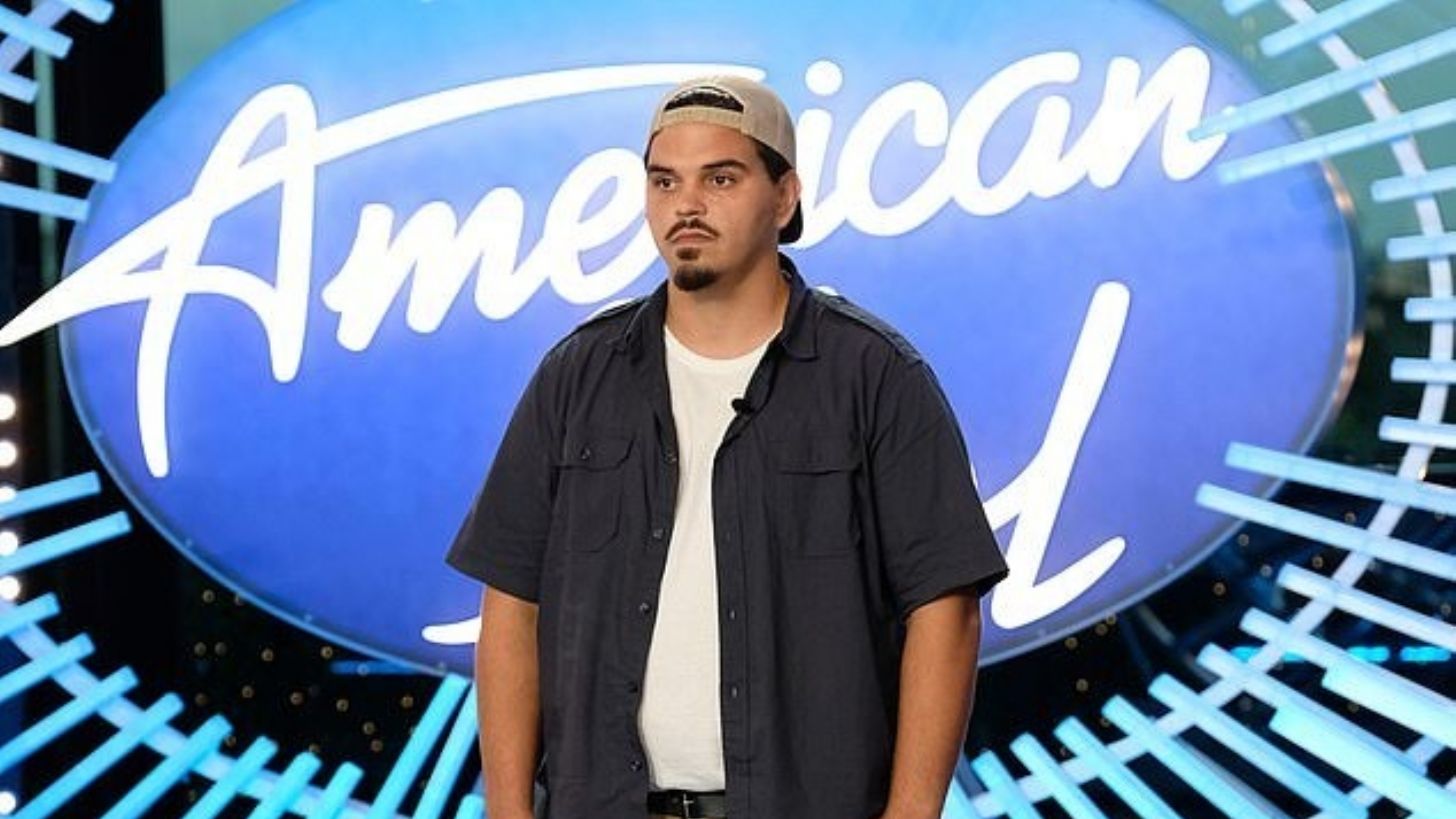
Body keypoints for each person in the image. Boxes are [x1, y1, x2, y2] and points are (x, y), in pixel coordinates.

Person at [446, 74, 1009, 819]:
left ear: (785, 197)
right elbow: (512, 604)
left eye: (720, 178)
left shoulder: (875, 376)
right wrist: (508, 808)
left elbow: (945, 610)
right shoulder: (577, 376)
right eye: (664, 181)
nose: (686, 204)